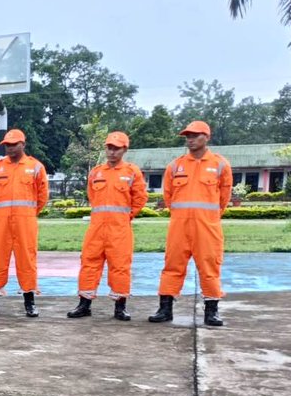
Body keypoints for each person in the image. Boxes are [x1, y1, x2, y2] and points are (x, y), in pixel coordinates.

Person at [148, 121, 233, 327]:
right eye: (187, 136)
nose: (190, 139)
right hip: (179, 226)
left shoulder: (220, 164)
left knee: (210, 267)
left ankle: (211, 311)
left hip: (207, 227)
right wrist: (182, 215)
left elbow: (224, 197)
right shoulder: (175, 166)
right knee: (172, 266)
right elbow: (168, 196)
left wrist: (208, 216)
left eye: (195, 135)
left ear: (207, 137)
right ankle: (165, 308)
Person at [68, 131, 147, 321]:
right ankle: (84, 304)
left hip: (119, 228)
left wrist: (127, 215)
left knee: (120, 265)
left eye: (116, 149)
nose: (112, 152)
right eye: (109, 148)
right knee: (89, 263)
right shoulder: (96, 172)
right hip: (97, 228)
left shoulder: (131, 172)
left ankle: (120, 306)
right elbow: (92, 196)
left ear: (124, 149)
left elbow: (140, 198)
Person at [0, 128, 49, 317]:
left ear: (23, 144)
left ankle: (29, 302)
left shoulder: (35, 167)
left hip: (25, 222)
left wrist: (27, 213)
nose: (10, 148)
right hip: (1, 222)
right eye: (7, 145)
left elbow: (42, 196)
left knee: (27, 259)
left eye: (14, 145)